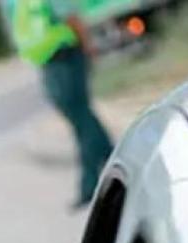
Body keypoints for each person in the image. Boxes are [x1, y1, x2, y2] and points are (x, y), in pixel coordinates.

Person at [7, 0, 114, 208]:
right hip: (49, 61)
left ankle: (89, 185)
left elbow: (71, 18)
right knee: (82, 119)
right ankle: (114, 159)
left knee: (82, 120)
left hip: (66, 58)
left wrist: (88, 46)